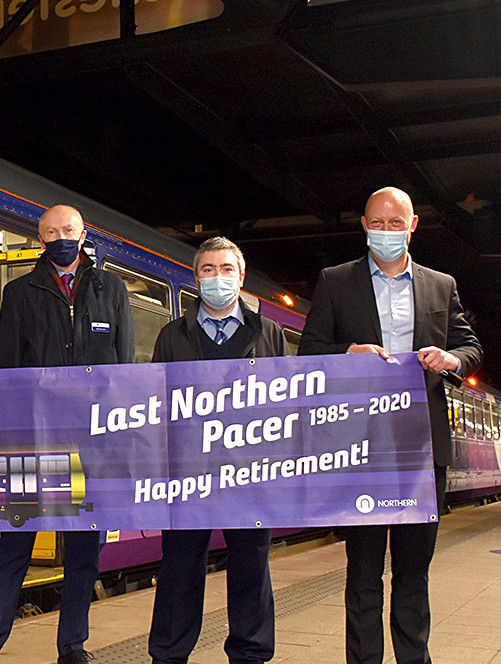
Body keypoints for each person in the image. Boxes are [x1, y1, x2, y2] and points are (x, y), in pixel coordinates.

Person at [299, 186, 482, 664]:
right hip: (360, 452)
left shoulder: (441, 285)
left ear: (413, 225)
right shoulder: (335, 282)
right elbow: (309, 353)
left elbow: (471, 349)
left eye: (395, 223)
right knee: (361, 574)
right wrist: (346, 354)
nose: (385, 232)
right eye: (376, 223)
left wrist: (450, 359)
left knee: (413, 573)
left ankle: (413, 658)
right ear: (363, 225)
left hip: (421, 451)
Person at [0, 204, 134, 664]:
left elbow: (123, 371)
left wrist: (115, 438)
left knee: (83, 551)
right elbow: (8, 372)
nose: (60, 237)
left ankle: (72, 647)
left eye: (68, 229)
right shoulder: (21, 292)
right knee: (14, 549)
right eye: (50, 231)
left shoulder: (111, 290)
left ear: (83, 234)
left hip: (92, 444)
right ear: (40, 238)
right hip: (32, 442)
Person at [147, 237, 282, 664]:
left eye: (226, 269)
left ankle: (251, 654)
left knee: (251, 567)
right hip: (188, 474)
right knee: (180, 569)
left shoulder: (267, 332)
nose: (217, 278)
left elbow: (286, 401)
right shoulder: (173, 335)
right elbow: (155, 402)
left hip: (251, 472)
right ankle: (169, 654)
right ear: (196, 278)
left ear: (241, 278)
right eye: (208, 270)